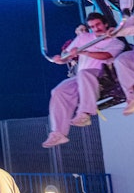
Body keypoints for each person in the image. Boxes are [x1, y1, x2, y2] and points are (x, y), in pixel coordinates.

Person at [41, 13, 128, 148]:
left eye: (98, 24)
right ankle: (58, 133)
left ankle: (84, 113)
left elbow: (106, 55)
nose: (96, 28)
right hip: (82, 77)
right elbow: (68, 54)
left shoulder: (115, 42)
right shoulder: (84, 38)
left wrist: (83, 52)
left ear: (105, 24)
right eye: (92, 26)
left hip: (102, 76)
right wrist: (61, 59)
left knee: (85, 74)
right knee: (59, 91)